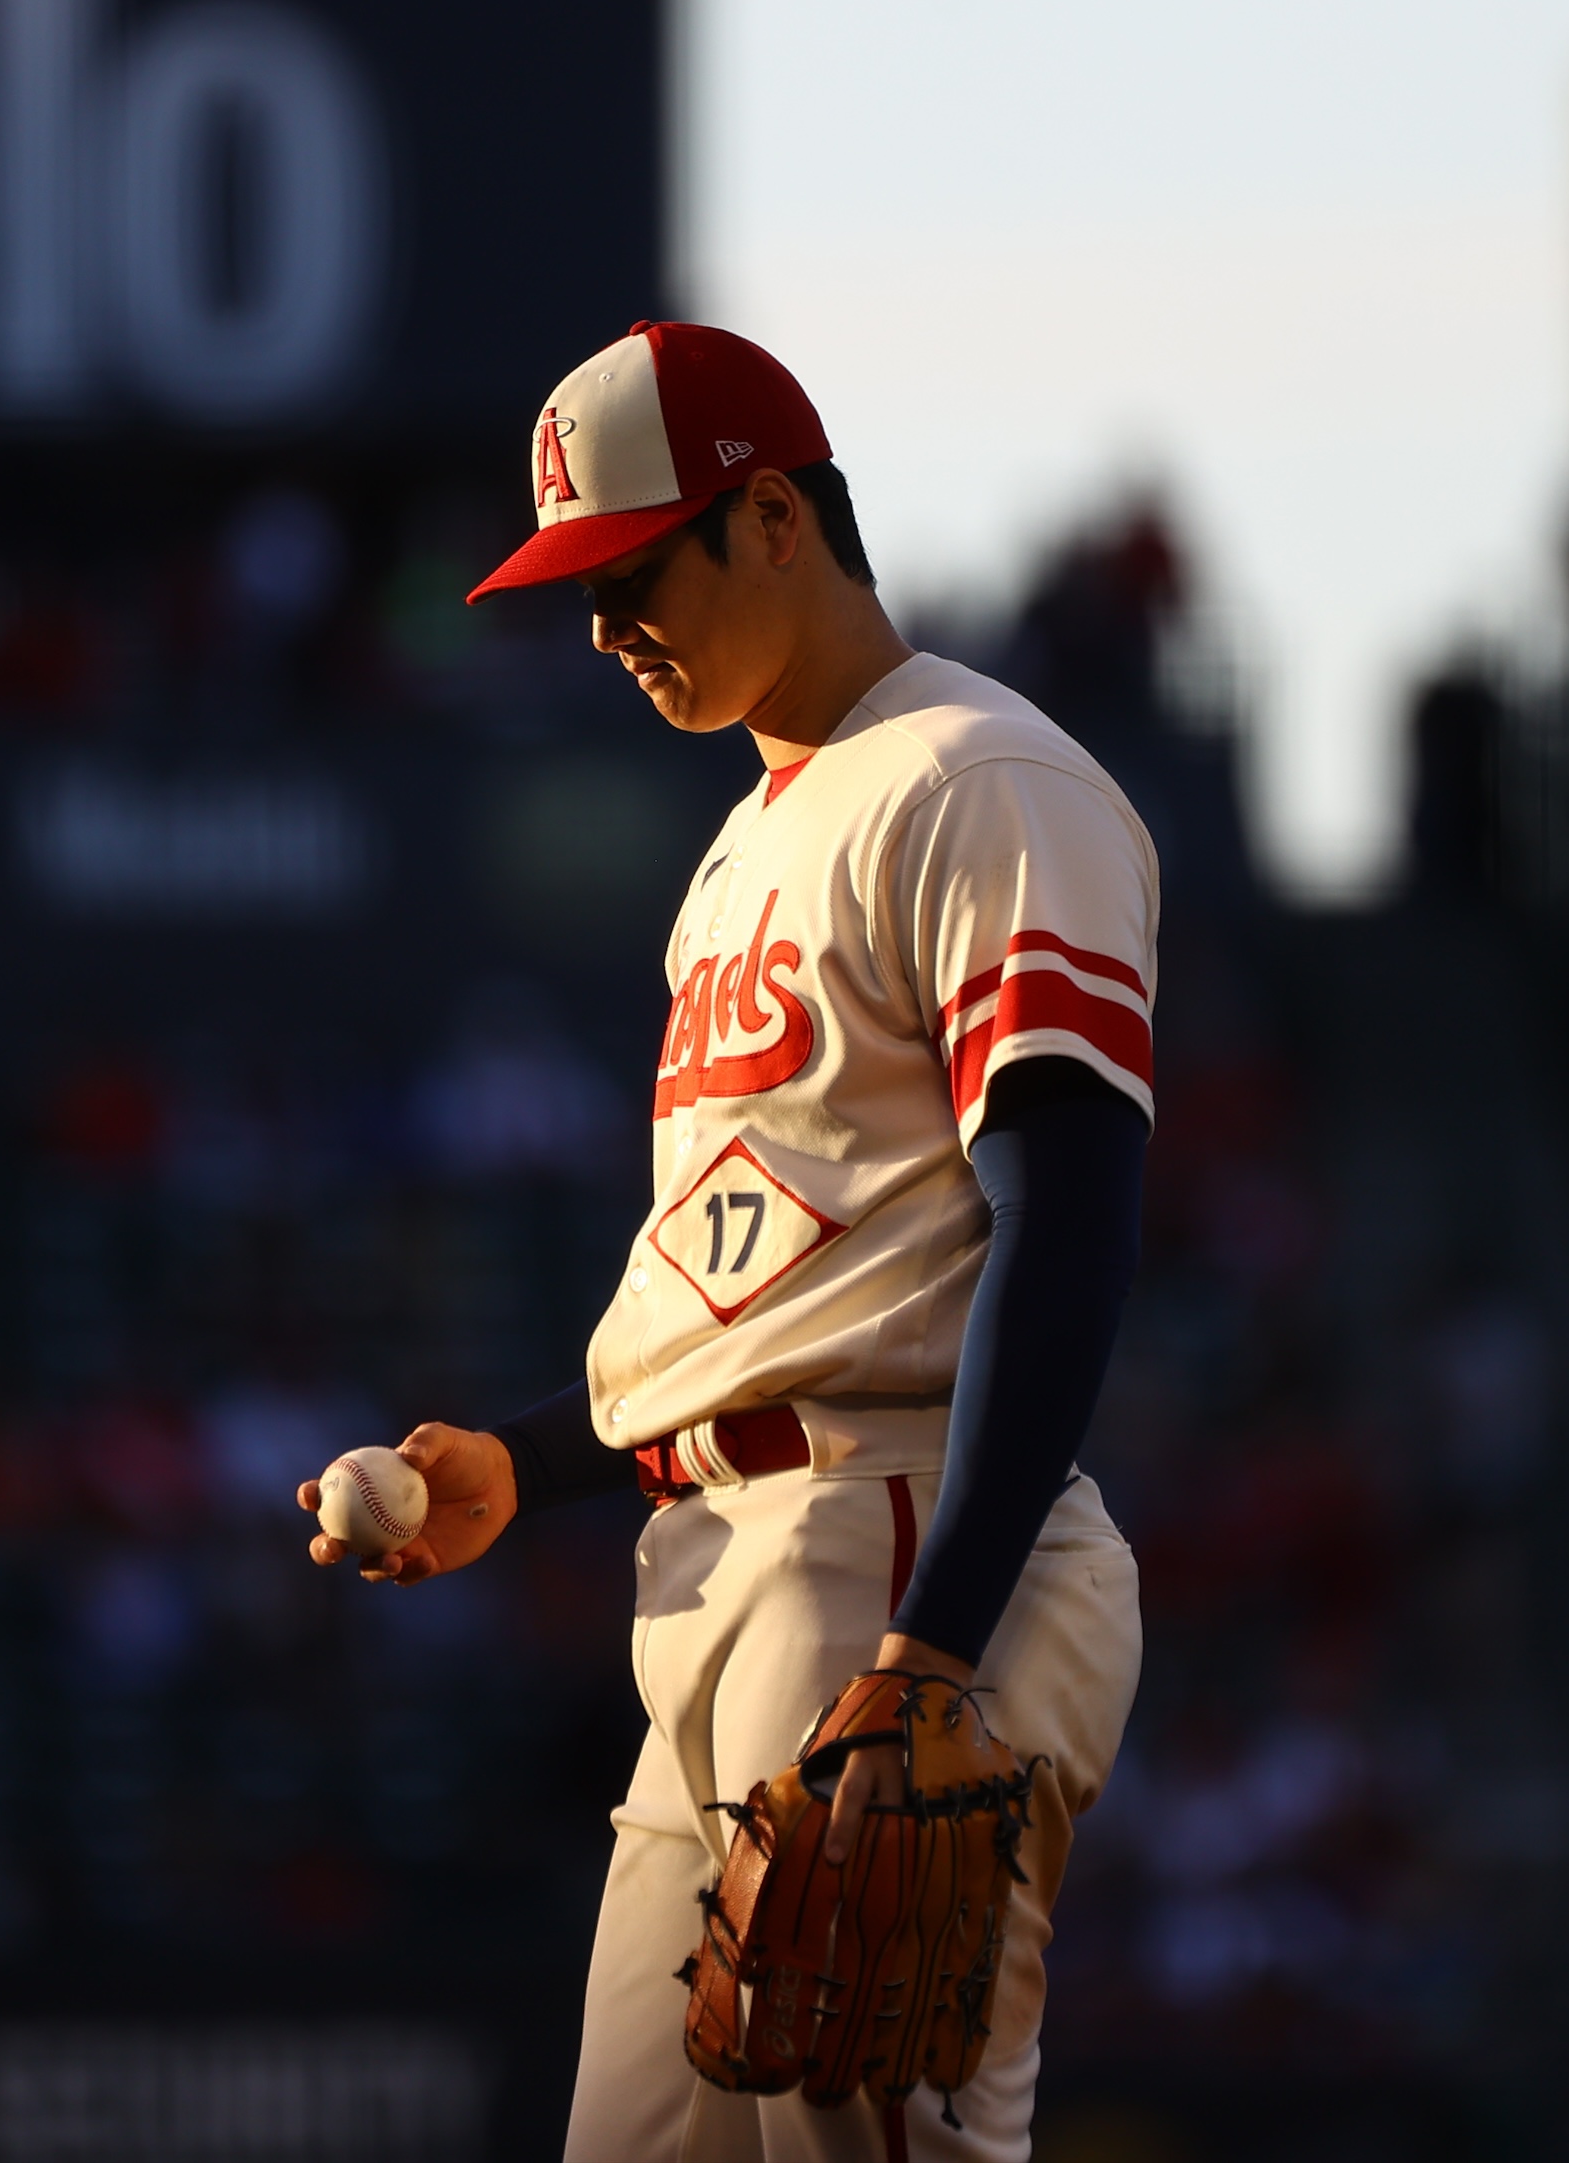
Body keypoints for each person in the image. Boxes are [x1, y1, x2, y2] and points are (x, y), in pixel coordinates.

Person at [297, 323, 1154, 2163]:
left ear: (773, 518)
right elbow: (757, 1276)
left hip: (898, 1540)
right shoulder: (747, 848)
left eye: (631, 575)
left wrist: (934, 1648)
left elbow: (1067, 1211)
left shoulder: (979, 779)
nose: (604, 633)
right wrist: (522, 1467)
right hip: (718, 1556)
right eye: (576, 599)